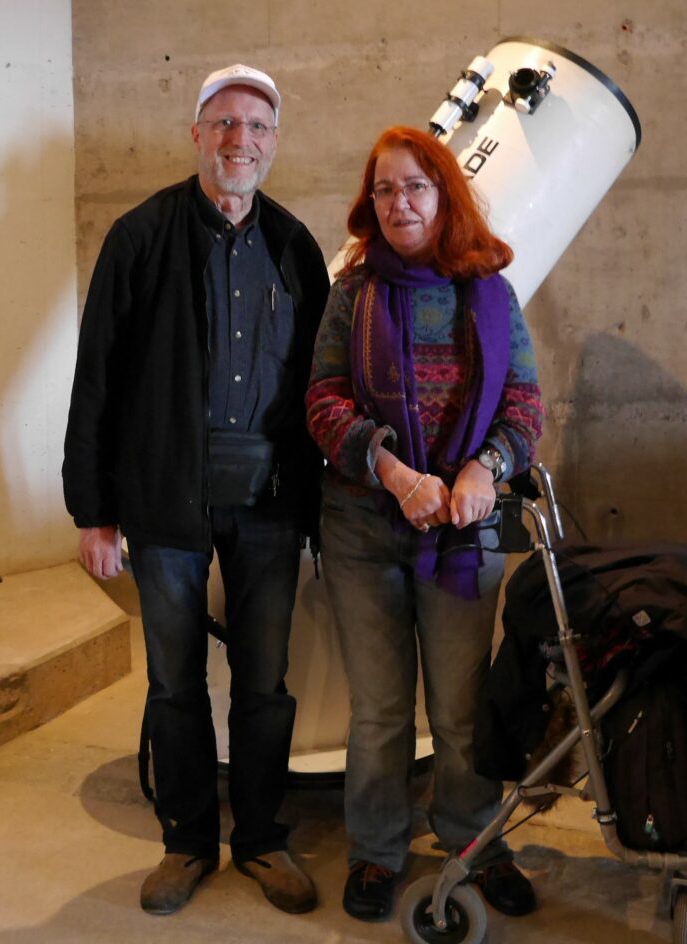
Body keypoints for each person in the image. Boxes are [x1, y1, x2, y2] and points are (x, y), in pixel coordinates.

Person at [63, 64, 329, 916]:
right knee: (174, 682)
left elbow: (320, 387)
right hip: (165, 496)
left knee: (265, 683)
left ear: (274, 142)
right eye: (224, 124)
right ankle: (186, 840)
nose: (239, 140)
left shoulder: (294, 246)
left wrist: (320, 509)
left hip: (268, 501)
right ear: (196, 135)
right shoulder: (140, 237)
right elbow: (96, 379)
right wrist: (93, 511)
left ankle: (260, 838)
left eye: (257, 126)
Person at [305, 126, 544, 923]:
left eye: (414, 185)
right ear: (369, 202)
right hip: (362, 527)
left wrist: (485, 469)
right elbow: (323, 400)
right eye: (384, 189)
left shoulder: (491, 292)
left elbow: (524, 403)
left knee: (461, 710)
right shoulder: (353, 292)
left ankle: (474, 842)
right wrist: (394, 473)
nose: (398, 202)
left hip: (464, 531)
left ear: (444, 193)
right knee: (378, 710)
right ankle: (376, 849)